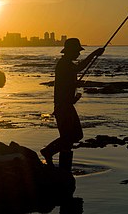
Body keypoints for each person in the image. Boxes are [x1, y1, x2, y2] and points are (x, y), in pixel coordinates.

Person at [41, 38, 105, 171]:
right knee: (71, 136)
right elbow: (79, 68)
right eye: (77, 51)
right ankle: (49, 153)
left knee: (73, 136)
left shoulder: (66, 64)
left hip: (66, 105)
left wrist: (73, 97)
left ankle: (63, 167)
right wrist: (94, 54)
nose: (79, 54)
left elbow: (68, 84)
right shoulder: (64, 64)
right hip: (63, 107)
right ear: (70, 51)